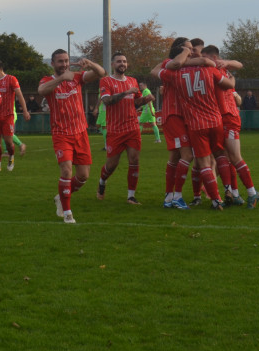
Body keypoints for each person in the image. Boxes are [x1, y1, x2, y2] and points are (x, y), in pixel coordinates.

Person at [155, 43, 236, 211]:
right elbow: (228, 82)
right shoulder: (207, 69)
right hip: (210, 120)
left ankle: (212, 199)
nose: (192, 51)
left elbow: (156, 72)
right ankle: (226, 191)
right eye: (189, 48)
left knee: (202, 162)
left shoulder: (175, 74)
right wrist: (229, 75)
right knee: (217, 156)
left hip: (195, 123)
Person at [38, 49, 105, 224]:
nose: (64, 64)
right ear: (52, 64)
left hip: (80, 132)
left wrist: (90, 64)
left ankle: (61, 197)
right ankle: (67, 212)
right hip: (61, 134)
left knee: (83, 176)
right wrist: (61, 78)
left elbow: (101, 73)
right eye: (60, 61)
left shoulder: (77, 77)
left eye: (66, 61)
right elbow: (41, 90)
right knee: (66, 170)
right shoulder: (48, 80)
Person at [202, 44, 259, 208]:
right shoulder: (217, 70)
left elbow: (239, 65)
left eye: (204, 57)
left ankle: (252, 193)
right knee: (224, 157)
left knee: (234, 157)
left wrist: (226, 63)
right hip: (219, 118)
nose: (202, 61)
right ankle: (232, 193)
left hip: (229, 117)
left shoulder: (217, 69)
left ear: (214, 58)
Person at [96, 52, 152, 205]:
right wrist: (125, 92)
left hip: (132, 127)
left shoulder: (133, 81)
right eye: (119, 61)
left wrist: (146, 100)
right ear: (113, 64)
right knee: (111, 165)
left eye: (125, 61)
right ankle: (102, 181)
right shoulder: (106, 81)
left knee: (134, 159)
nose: (123, 64)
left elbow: (136, 102)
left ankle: (131, 196)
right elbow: (107, 101)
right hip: (115, 129)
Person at [151, 38, 196, 210]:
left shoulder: (185, 67)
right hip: (174, 115)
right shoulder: (170, 65)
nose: (191, 52)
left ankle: (169, 196)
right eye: (188, 49)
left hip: (183, 116)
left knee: (175, 157)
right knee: (188, 156)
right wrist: (185, 52)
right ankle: (177, 196)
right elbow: (155, 70)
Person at [0, 60, 30, 171]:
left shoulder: (11, 79)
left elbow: (19, 95)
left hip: (8, 115)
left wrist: (25, 111)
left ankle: (11, 157)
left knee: (8, 141)